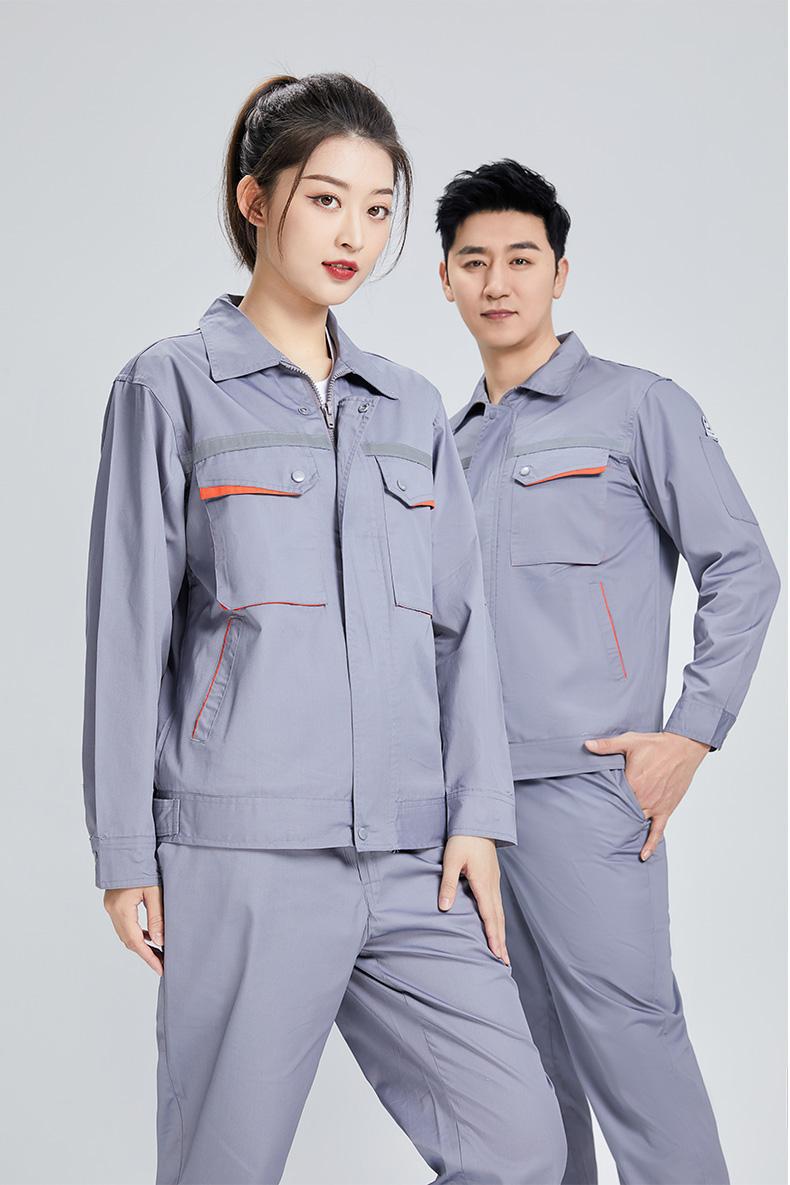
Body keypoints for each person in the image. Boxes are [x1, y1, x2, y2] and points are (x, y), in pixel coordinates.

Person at [81, 79, 567, 1185]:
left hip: (411, 858)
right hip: (243, 854)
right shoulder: (172, 387)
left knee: (522, 1145)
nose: (356, 234)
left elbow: (460, 630)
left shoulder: (407, 407)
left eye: (380, 209)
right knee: (224, 1166)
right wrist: (124, 852)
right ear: (256, 200)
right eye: (327, 200)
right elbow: (126, 634)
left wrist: (477, 815)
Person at [436, 158, 781, 1185]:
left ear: (559, 272)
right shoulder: (444, 448)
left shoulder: (638, 408)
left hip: (586, 791)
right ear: (446, 280)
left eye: (521, 258)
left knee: (634, 1055)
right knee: (516, 1087)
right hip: (464, 810)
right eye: (474, 261)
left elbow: (743, 569)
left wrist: (692, 732)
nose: (498, 281)